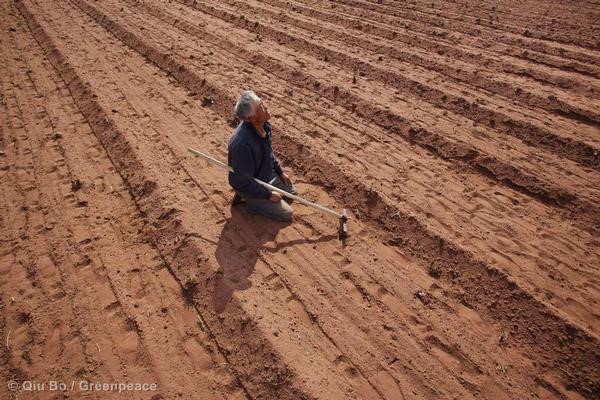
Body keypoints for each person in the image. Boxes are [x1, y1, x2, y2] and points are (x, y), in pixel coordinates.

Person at [227, 90, 296, 222]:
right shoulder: (241, 145)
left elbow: (269, 152)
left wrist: (280, 172)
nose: (266, 107)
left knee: (291, 193)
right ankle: (251, 203)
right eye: (261, 107)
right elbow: (244, 179)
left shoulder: (264, 125)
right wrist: (268, 195)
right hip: (248, 184)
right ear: (252, 118)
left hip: (263, 176)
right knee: (287, 214)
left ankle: (259, 198)